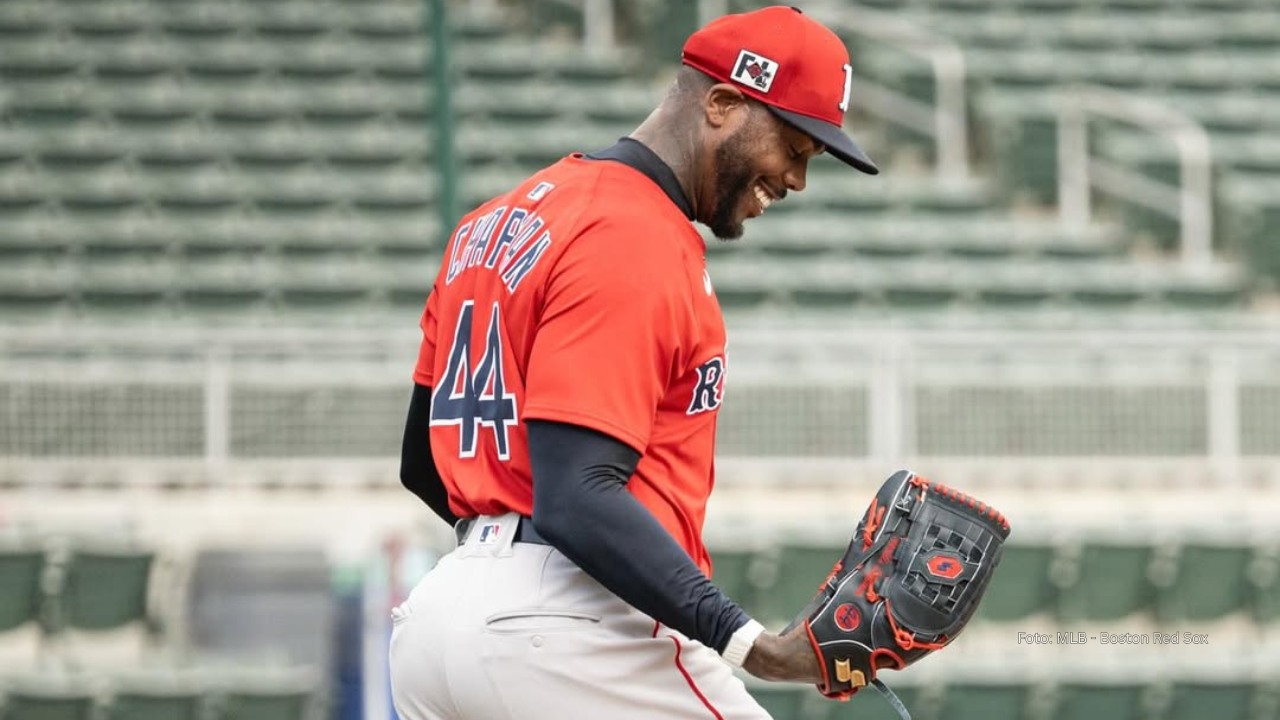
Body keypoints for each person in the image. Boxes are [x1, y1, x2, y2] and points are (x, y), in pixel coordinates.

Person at [390, 6, 879, 718]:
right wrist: (751, 645)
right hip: (570, 622)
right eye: (796, 147)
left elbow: (422, 464)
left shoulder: (490, 223)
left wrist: (496, 566)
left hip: (439, 624)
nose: (797, 179)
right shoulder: (633, 230)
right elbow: (577, 492)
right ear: (722, 103)